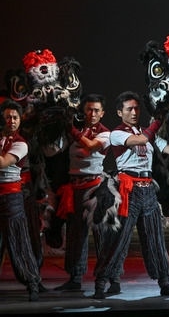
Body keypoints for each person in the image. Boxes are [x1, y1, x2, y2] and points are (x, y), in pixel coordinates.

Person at [92, 91, 169, 299]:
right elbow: (139, 139)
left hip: (148, 189)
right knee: (116, 239)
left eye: (137, 108)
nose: (134, 112)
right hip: (127, 189)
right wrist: (159, 120)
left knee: (155, 237)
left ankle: (165, 282)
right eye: (129, 109)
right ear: (119, 112)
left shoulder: (147, 133)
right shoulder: (117, 133)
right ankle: (101, 282)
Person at [54, 94, 113, 292]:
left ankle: (111, 278)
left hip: (95, 187)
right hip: (75, 188)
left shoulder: (105, 133)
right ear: (83, 111)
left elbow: (89, 147)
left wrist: (70, 129)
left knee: (102, 235)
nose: (92, 114)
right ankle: (75, 277)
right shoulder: (76, 130)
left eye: (96, 110)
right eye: (89, 109)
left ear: (102, 113)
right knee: (75, 235)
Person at [0, 100, 42, 301]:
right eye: (8, 117)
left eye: (15, 117)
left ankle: (32, 282)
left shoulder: (21, 143)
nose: (12, 121)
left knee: (19, 241)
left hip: (11, 198)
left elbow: (3, 163)